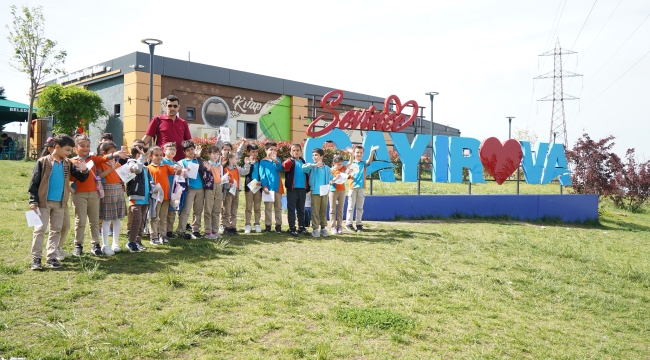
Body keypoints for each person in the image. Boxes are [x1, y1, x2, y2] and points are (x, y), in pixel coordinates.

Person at [28, 134, 90, 270]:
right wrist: (33, 201)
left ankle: (51, 258)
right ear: (57, 147)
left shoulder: (67, 163)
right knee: (39, 230)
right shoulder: (42, 162)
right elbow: (34, 183)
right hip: (43, 203)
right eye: (67, 150)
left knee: (56, 230)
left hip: (60, 203)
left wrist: (84, 170)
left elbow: (81, 178)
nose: (69, 153)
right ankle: (36, 259)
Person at [70, 134, 128, 256]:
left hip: (94, 193)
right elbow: (70, 177)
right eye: (82, 146)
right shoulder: (72, 161)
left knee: (95, 221)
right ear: (75, 147)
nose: (85, 148)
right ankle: (78, 245)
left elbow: (103, 159)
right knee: (80, 221)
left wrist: (115, 154)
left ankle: (95, 244)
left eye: (88, 146)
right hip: (79, 194)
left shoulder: (93, 158)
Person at [96, 142, 126, 255]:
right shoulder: (100, 164)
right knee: (107, 219)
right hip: (107, 190)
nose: (115, 154)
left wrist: (131, 171)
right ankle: (105, 244)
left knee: (117, 219)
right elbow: (99, 176)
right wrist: (111, 168)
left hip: (118, 190)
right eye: (112, 152)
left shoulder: (117, 164)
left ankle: (115, 243)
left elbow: (124, 177)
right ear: (104, 153)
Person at [147, 146, 182, 245]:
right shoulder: (149, 168)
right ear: (150, 156)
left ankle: (163, 235)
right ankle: (153, 236)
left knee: (163, 217)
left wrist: (178, 168)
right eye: (156, 155)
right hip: (156, 197)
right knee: (154, 217)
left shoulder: (165, 166)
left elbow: (177, 172)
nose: (159, 157)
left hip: (166, 196)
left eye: (160, 155)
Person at [142, 95, 192, 162]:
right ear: (165, 106)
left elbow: (189, 142)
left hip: (181, 161)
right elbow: (148, 136)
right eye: (170, 106)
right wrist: (137, 147)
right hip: (163, 160)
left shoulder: (183, 122)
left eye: (175, 106)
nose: (172, 108)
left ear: (178, 107)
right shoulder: (157, 119)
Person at [345, 145, 378, 232]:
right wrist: (351, 154)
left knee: (359, 207)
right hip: (352, 188)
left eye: (361, 153)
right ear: (354, 153)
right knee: (350, 207)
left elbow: (369, 160)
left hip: (361, 188)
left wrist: (371, 152)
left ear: (363, 154)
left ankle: (359, 224)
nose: (359, 154)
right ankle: (349, 224)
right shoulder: (351, 163)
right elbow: (347, 169)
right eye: (357, 152)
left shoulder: (363, 164)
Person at [176, 140, 205, 239]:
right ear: (184, 152)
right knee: (186, 210)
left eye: (192, 149)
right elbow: (179, 176)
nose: (191, 151)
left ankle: (196, 230)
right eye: (188, 150)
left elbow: (202, 168)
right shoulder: (181, 162)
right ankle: (181, 230)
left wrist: (199, 157)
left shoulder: (198, 160)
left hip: (200, 188)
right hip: (189, 188)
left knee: (198, 210)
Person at [302, 148, 334, 238]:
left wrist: (332, 181)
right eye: (313, 155)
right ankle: (315, 229)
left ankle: (323, 228)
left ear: (321, 156)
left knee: (323, 210)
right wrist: (313, 165)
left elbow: (331, 178)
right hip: (314, 192)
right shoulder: (311, 167)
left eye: (316, 155)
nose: (314, 157)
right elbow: (304, 168)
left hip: (324, 191)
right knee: (315, 211)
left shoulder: (327, 168)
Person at [283, 143, 310, 236]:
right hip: (292, 189)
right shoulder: (289, 161)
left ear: (301, 152)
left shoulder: (304, 162)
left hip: (302, 189)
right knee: (291, 209)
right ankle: (292, 227)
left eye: (298, 150)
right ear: (291, 152)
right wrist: (291, 159)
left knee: (301, 209)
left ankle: (301, 227)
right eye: (293, 150)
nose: (296, 152)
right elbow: (285, 167)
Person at [125, 144, 148, 252]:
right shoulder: (132, 162)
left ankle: (138, 240)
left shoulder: (144, 165)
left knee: (142, 219)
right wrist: (142, 158)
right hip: (136, 196)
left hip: (145, 197)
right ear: (139, 154)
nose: (146, 157)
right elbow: (137, 170)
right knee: (137, 218)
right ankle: (131, 242)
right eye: (144, 154)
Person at [221, 153, 250, 235]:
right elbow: (222, 181)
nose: (238, 160)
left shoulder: (237, 168)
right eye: (236, 158)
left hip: (236, 191)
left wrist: (247, 165)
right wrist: (228, 185)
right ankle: (226, 227)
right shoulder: (224, 169)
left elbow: (245, 172)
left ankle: (233, 227)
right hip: (228, 192)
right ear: (230, 159)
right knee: (226, 210)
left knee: (234, 210)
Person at [259, 142, 284, 233]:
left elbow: (281, 169)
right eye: (271, 149)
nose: (273, 151)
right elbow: (262, 175)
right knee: (268, 208)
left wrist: (276, 161)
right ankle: (268, 225)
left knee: (278, 207)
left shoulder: (278, 160)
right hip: (268, 188)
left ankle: (278, 226)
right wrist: (264, 186)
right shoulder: (263, 161)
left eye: (275, 150)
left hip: (277, 187)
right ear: (266, 150)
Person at [202, 145, 224, 239]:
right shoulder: (206, 164)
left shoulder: (220, 165)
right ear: (209, 154)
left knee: (217, 209)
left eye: (217, 154)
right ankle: (208, 231)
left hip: (219, 186)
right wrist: (207, 169)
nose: (215, 156)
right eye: (213, 154)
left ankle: (215, 230)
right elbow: (204, 178)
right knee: (208, 209)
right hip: (209, 188)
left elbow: (221, 176)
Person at [243, 143, 262, 234]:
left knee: (257, 207)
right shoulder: (246, 161)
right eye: (253, 152)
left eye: (256, 152)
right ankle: (247, 224)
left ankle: (257, 224)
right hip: (249, 187)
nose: (255, 154)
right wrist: (250, 163)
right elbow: (245, 171)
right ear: (248, 152)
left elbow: (262, 173)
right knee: (248, 207)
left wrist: (261, 182)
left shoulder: (260, 162)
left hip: (258, 187)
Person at [162, 142, 179, 240]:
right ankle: (162, 231)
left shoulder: (176, 163)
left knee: (172, 212)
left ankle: (169, 231)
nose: (173, 151)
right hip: (164, 190)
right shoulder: (162, 162)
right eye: (170, 149)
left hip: (174, 191)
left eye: (174, 150)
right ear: (164, 151)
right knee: (163, 212)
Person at [329, 155, 347, 235]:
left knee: (340, 210)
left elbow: (349, 164)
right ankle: (333, 227)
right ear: (334, 163)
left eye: (341, 164)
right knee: (332, 210)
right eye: (339, 164)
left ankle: (339, 226)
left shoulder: (343, 169)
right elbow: (329, 182)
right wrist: (335, 178)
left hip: (342, 191)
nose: (340, 166)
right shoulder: (330, 170)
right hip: (333, 191)